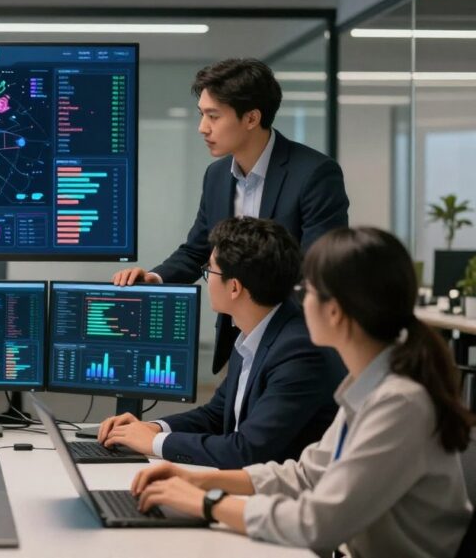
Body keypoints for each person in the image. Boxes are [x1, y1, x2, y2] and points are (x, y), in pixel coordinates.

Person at [132, 227, 474, 557]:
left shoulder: (399, 403)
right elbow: (306, 474)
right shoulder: (368, 388)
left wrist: (208, 504)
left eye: (307, 290)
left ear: (335, 311)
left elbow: (318, 523)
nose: (298, 299)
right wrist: (197, 481)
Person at [113, 58, 350, 373]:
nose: (203, 127)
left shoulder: (314, 173)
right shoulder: (217, 175)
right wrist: (155, 279)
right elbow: (198, 249)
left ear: (252, 118)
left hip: (295, 341)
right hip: (238, 338)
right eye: (202, 115)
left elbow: (319, 268)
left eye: (214, 116)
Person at [98, 217, 343, 468]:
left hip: (277, 499)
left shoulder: (298, 352)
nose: (207, 277)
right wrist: (151, 427)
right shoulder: (252, 332)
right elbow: (216, 414)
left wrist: (154, 442)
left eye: (209, 270)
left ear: (234, 287)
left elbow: (246, 450)